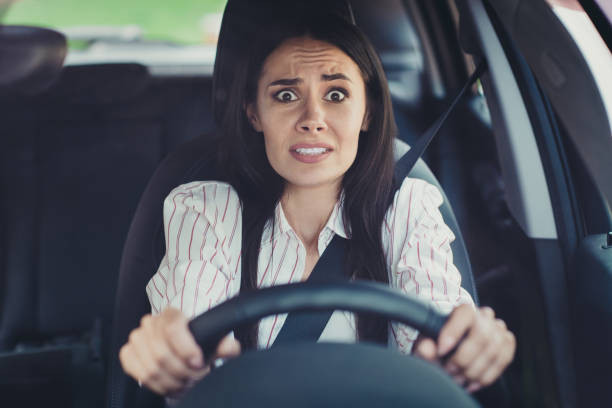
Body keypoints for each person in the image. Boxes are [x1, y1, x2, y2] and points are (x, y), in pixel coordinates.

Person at [119, 7, 515, 400]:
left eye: (337, 94)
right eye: (286, 95)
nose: (313, 118)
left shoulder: (408, 206)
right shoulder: (205, 208)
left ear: (368, 111)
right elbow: (187, 329)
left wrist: (466, 345)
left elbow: (438, 326)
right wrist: (169, 348)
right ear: (254, 112)